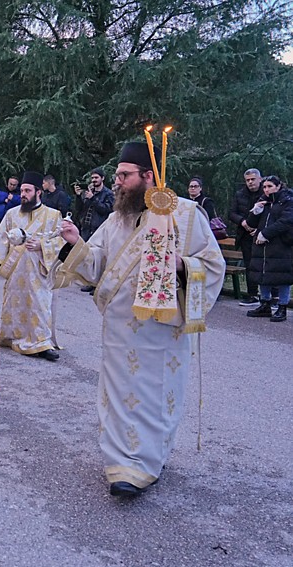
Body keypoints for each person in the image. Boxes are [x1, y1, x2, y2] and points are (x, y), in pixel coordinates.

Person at [55, 141, 225, 497]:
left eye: (124, 175)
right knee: (118, 396)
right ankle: (120, 463)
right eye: (117, 175)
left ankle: (147, 462)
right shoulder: (117, 220)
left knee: (154, 394)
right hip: (119, 331)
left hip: (163, 333)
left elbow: (212, 265)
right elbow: (96, 263)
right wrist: (75, 243)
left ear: (149, 176)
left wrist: (181, 265)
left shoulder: (187, 213)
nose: (117, 182)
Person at [0, 171, 65, 362]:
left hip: (39, 271)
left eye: (27, 190)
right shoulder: (12, 214)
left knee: (40, 305)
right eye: (22, 191)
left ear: (38, 192)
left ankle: (42, 343)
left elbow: (61, 242)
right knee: (14, 302)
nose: (24, 195)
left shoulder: (53, 215)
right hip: (16, 271)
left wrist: (41, 246)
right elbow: (2, 237)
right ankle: (11, 336)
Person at [244, 175, 293, 322]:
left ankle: (282, 306)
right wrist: (255, 212)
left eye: (270, 186)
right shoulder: (263, 201)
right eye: (264, 187)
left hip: (281, 245)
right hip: (262, 245)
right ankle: (264, 304)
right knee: (262, 274)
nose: (266, 189)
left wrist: (265, 233)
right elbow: (251, 223)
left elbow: (286, 222)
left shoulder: (287, 201)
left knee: (282, 275)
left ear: (278, 187)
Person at [73, 167, 114, 293]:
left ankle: (98, 285)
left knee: (99, 257)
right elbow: (80, 209)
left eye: (96, 178)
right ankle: (89, 281)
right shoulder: (89, 191)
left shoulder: (108, 194)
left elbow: (106, 209)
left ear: (102, 178)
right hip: (86, 227)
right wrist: (79, 196)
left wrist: (93, 199)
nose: (94, 180)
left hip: (99, 229)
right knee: (87, 256)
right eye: (92, 178)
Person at [228, 168, 265, 306]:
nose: (250, 182)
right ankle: (252, 294)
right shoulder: (240, 194)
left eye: (253, 179)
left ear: (259, 179)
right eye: (248, 180)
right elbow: (232, 213)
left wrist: (258, 229)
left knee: (265, 265)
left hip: (262, 235)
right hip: (246, 235)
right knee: (250, 265)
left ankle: (271, 296)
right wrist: (243, 222)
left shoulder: (266, 193)